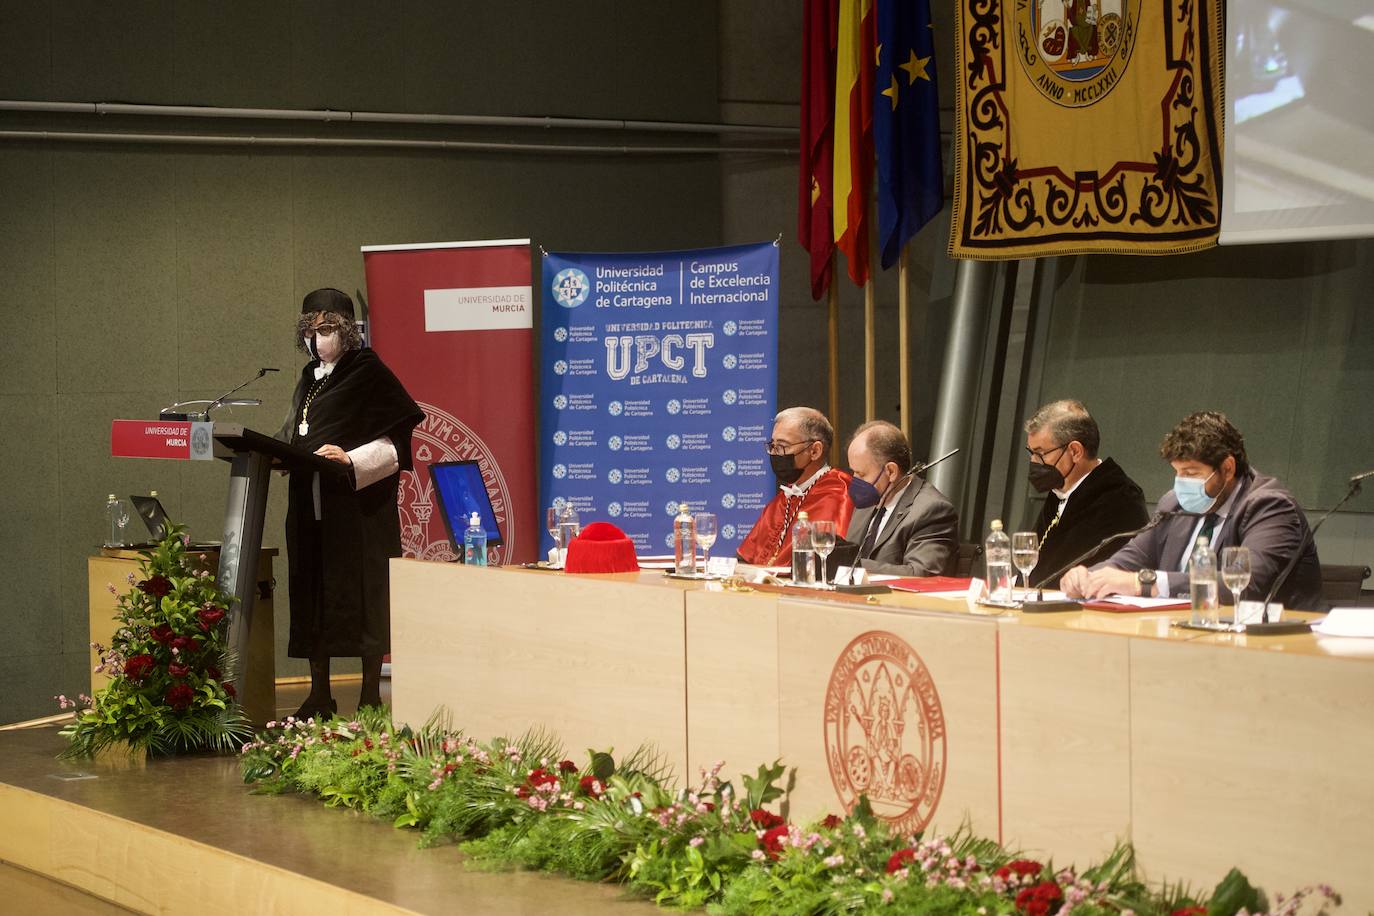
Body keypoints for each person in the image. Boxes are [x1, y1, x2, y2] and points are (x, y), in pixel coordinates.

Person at [279, 288, 424, 719]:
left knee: (365, 590)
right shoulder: (309, 377)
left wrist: (350, 458)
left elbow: (399, 439)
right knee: (311, 588)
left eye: (325, 330)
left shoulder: (368, 370)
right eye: (309, 330)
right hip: (311, 502)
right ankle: (319, 692)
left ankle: (368, 695)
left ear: (345, 332)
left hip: (359, 506)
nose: (316, 339)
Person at [1060, 411, 1324, 610]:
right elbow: (1129, 559)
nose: (1181, 483)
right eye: (1177, 472)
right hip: (1180, 631)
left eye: (1191, 473)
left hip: (1271, 645)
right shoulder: (1173, 504)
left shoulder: (1269, 506)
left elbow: (1246, 585)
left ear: (1228, 468)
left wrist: (1144, 583)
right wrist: (1087, 577)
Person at [1023, 400, 1148, 587]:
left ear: (1075, 451)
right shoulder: (1060, 492)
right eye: (1031, 453)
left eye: (1040, 453)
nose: (1034, 462)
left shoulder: (1120, 501)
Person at [736, 407, 854, 566]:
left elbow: (825, 560)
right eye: (773, 446)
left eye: (783, 446)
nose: (775, 454)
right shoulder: (784, 498)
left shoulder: (839, 491)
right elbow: (745, 559)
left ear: (815, 451)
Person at [844, 420, 958, 577]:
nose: (854, 480)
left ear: (891, 471)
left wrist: (850, 563)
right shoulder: (867, 503)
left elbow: (921, 574)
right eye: (853, 472)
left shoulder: (932, 510)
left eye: (861, 474)